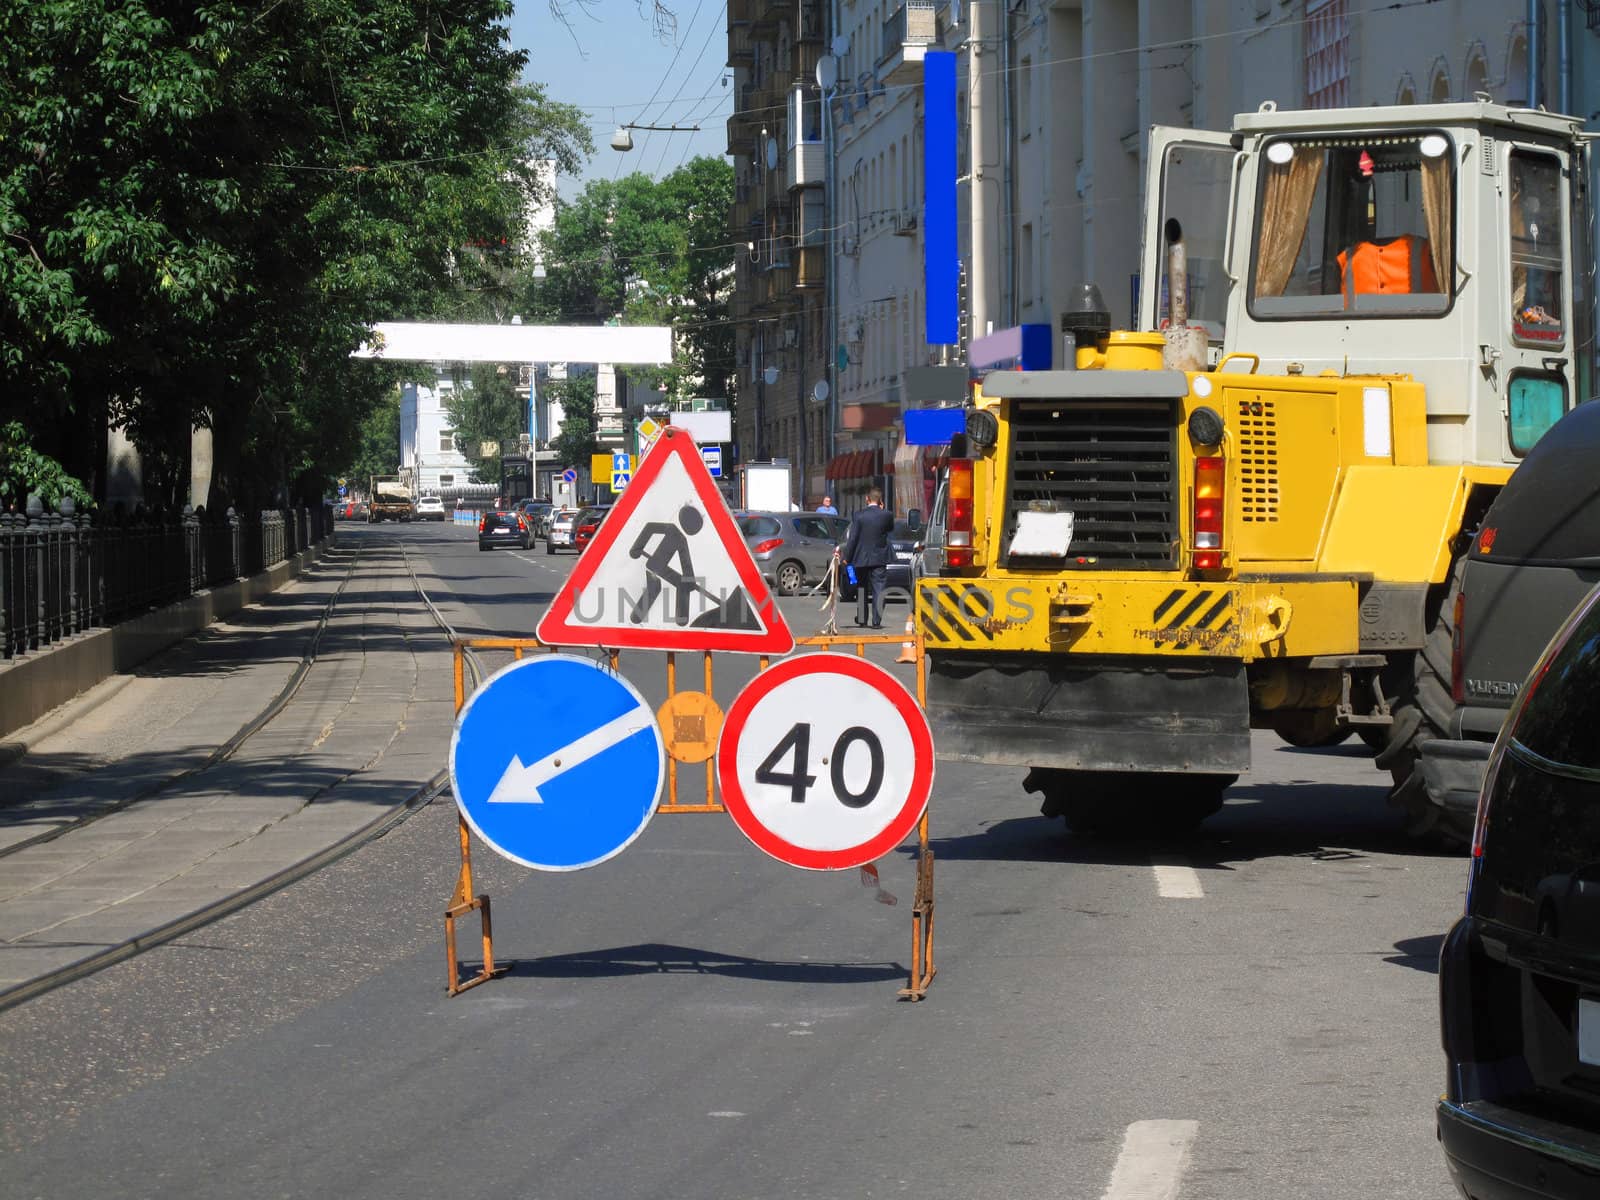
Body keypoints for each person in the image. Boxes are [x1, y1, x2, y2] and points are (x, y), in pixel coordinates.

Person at [841, 487, 894, 628]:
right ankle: (876, 622)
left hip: (861, 558)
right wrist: (883, 510)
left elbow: (853, 538)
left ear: (867, 499)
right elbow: (889, 529)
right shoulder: (887, 515)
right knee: (879, 589)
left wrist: (847, 556)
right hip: (879, 558)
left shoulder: (858, 515)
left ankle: (862, 619)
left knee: (862, 589)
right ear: (880, 500)